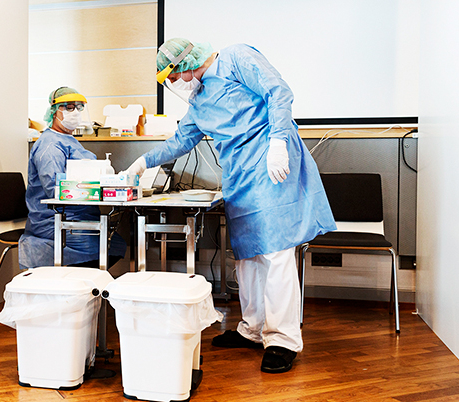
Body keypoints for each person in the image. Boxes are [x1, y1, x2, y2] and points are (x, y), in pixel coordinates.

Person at [125, 38, 336, 374]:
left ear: (185, 64)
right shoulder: (199, 103)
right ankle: (252, 328)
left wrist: (279, 142)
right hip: (239, 176)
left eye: (173, 77)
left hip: (271, 165)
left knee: (276, 253)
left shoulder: (237, 58)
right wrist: (142, 162)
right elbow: (181, 141)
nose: (175, 85)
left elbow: (278, 92)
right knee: (248, 255)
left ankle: (282, 339)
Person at [18, 87, 127, 270]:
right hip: (53, 219)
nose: (75, 112)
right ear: (54, 111)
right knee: (105, 245)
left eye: (78, 107)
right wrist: (95, 190)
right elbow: (55, 190)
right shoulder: (49, 145)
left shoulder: (68, 139)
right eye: (68, 107)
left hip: (79, 216)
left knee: (115, 242)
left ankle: (84, 285)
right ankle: (79, 286)